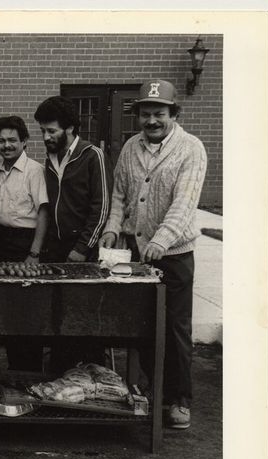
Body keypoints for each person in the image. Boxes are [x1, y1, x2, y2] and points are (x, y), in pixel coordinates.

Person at [99, 79, 206, 430]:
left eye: (159, 113)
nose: (152, 121)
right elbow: (119, 195)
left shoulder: (191, 148)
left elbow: (184, 203)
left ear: (173, 113)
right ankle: (152, 387)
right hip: (134, 252)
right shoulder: (131, 147)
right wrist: (113, 228)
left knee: (174, 328)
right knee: (140, 325)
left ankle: (179, 400)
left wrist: (162, 240)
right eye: (145, 114)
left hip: (172, 254)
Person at [34, 96, 113, 372]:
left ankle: (95, 380)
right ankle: (59, 378)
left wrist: (82, 248)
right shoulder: (49, 158)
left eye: (51, 131)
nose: (45, 136)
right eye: (42, 130)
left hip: (84, 253)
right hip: (55, 254)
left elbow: (101, 207)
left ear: (70, 129)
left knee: (86, 319)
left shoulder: (93, 155)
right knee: (58, 317)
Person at [0, 115, 48, 372]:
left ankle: (31, 374)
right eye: (1, 141)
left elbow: (43, 212)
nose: (7, 145)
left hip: (27, 244)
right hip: (3, 243)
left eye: (12, 140)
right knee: (8, 313)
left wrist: (34, 253)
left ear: (24, 141)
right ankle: (15, 371)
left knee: (29, 314)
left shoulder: (35, 171)